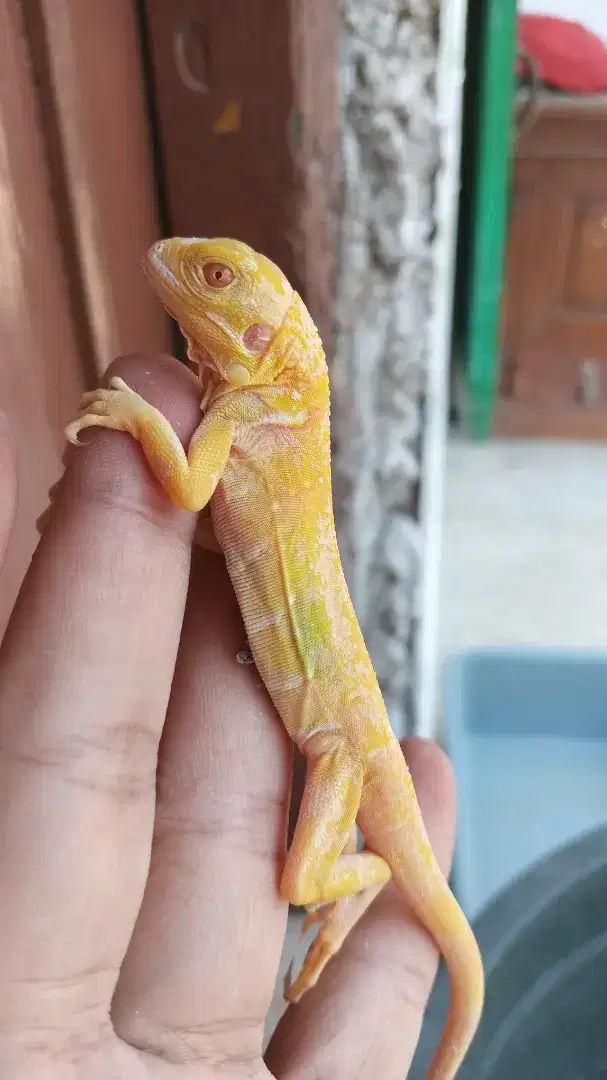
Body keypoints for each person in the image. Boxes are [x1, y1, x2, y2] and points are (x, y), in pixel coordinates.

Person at [0, 354, 456, 1079]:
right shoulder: (254, 421)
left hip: (343, 744)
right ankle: (368, 871)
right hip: (338, 712)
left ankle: (367, 872)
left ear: (257, 338)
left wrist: (135, 418)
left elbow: (185, 485)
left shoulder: (248, 416)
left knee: (304, 885)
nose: (182, 276)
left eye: (215, 278)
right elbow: (213, 521)